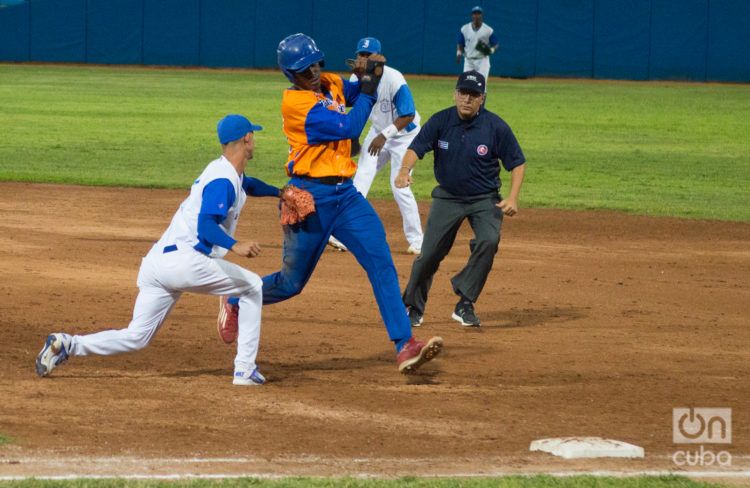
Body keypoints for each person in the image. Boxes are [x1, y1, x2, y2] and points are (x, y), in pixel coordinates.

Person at [219, 33, 443, 374]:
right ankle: (235, 299)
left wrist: (371, 74)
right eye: (302, 69)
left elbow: (350, 92)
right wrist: (368, 88)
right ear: (289, 74)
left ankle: (404, 344)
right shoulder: (296, 105)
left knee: (380, 260)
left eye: (314, 64)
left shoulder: (327, 82)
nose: (311, 72)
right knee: (291, 284)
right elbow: (349, 124)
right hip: (310, 197)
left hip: (346, 196)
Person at [36, 114, 277, 386]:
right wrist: (236, 245)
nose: (254, 141)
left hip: (158, 263)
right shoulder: (222, 182)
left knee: (137, 336)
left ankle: (67, 344)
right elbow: (205, 226)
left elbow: (248, 184)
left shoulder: (224, 171)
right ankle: (244, 370)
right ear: (246, 138)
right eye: (253, 136)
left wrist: (280, 192)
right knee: (252, 286)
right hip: (186, 261)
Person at [395, 71, 526, 328]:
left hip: (484, 198)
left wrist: (513, 197)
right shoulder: (441, 121)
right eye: (463, 93)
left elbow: (517, 163)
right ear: (455, 94)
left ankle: (465, 302)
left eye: (474, 95)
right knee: (429, 253)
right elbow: (416, 148)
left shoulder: (495, 126)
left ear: (482, 99)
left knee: (488, 240)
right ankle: (413, 306)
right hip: (448, 197)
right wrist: (403, 171)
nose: (467, 99)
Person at [327, 37, 423, 255]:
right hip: (377, 131)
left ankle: (418, 240)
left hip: (404, 136)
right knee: (360, 178)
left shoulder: (394, 78)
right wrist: (354, 138)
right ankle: (343, 233)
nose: (362, 59)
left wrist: (384, 136)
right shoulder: (356, 78)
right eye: (360, 54)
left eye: (367, 55)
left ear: (378, 59)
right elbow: (354, 109)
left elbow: (407, 114)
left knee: (400, 187)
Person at [456, 6, 499, 86]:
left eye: (478, 13)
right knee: (466, 84)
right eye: (474, 13)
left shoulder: (488, 30)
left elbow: (496, 44)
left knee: (481, 85)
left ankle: (482, 99)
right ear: (471, 16)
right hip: (468, 61)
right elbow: (460, 43)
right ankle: (467, 99)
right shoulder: (465, 29)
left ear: (482, 16)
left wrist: (491, 50)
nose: (476, 15)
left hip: (482, 61)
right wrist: (458, 53)